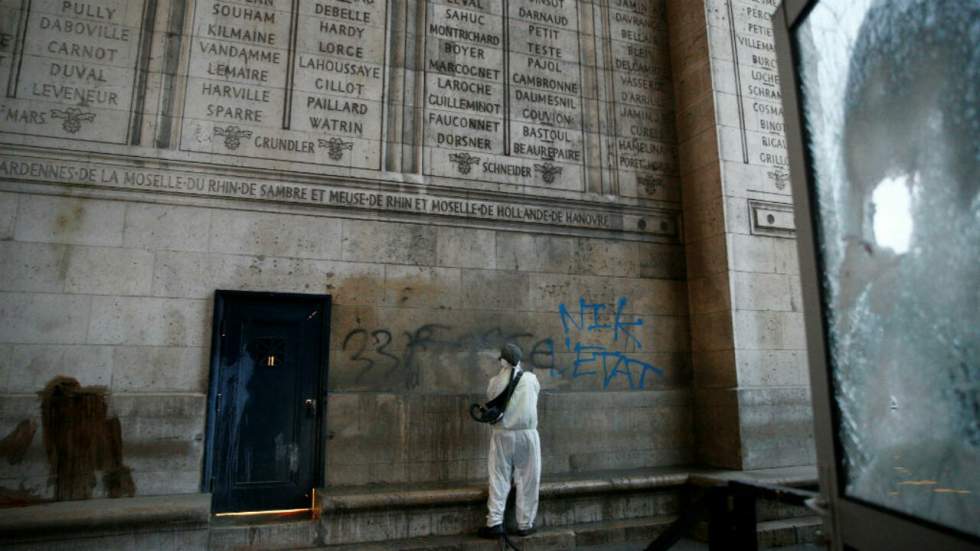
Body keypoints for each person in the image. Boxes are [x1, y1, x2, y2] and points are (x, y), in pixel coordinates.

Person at [478, 343, 541, 539]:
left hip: (502, 433)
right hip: (527, 434)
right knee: (528, 479)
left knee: (499, 477)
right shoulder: (531, 379)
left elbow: (492, 400)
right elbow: (534, 396)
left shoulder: (494, 382)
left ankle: (495, 522)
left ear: (502, 361)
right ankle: (525, 524)